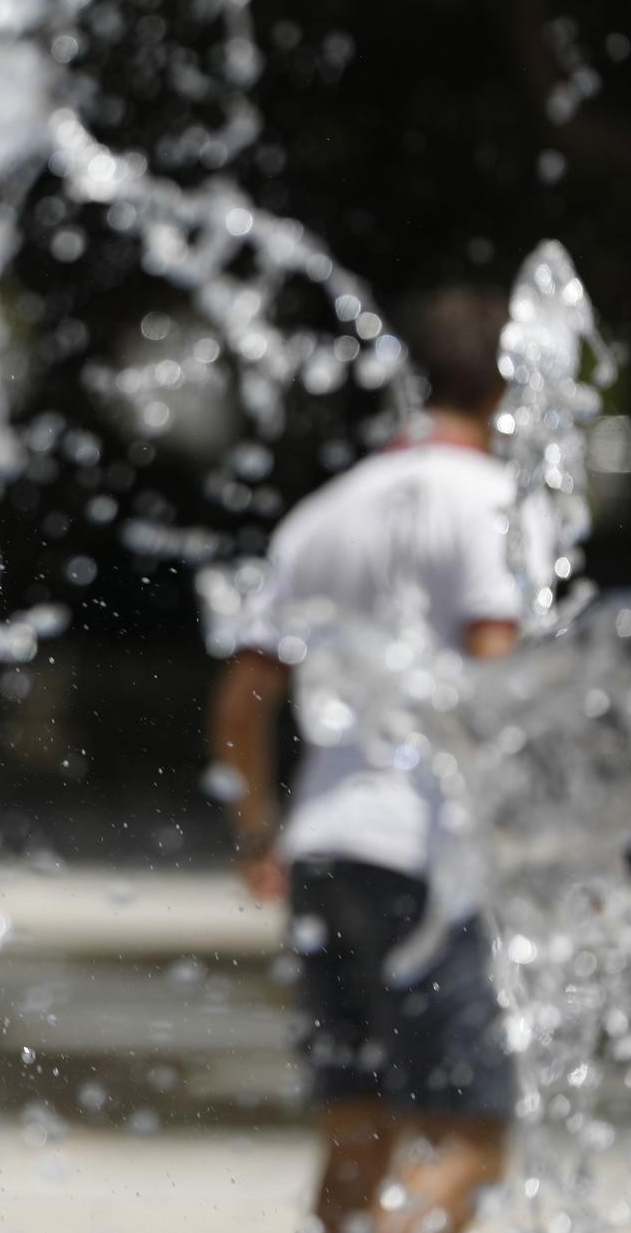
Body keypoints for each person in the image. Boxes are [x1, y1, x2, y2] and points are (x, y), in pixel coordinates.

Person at [208, 287, 527, 1233]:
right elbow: (498, 674)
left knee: (356, 1139)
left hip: (322, 844)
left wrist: (257, 830)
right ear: (505, 384)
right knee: (467, 1142)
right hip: (431, 855)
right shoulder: (494, 502)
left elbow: (243, 695)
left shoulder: (323, 512)